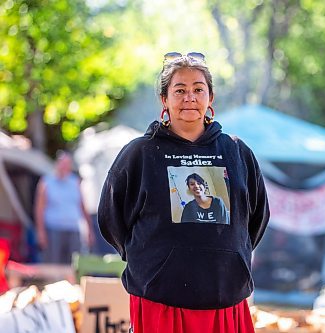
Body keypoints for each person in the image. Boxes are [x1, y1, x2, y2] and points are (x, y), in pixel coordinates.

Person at [98, 52, 270, 333]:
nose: (189, 97)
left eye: (198, 89)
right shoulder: (140, 154)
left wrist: (229, 254)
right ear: (164, 100)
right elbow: (112, 219)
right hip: (161, 301)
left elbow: (256, 218)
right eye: (180, 90)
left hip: (225, 298)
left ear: (210, 98)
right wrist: (154, 262)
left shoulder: (237, 152)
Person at [35, 151, 94, 264]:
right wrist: (40, 232)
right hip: (53, 229)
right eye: (63, 163)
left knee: (74, 264)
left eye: (67, 164)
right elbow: (39, 209)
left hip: (73, 229)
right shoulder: (46, 182)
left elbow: (82, 206)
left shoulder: (75, 182)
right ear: (57, 164)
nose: (65, 167)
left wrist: (89, 229)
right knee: (54, 264)